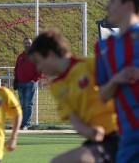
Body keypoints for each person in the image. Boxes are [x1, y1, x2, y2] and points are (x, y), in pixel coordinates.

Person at [28, 29, 118, 163]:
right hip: (98, 139)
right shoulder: (56, 87)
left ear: (51, 55)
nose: (38, 68)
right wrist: (88, 131)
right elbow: (73, 118)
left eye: (38, 62)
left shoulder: (90, 64)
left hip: (120, 132)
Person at [95, 0, 139, 163]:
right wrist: (116, 80)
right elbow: (103, 96)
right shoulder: (103, 47)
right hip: (128, 137)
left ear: (128, 5)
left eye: (112, 1)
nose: (107, 7)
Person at [14, 37, 42, 130]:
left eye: (29, 43)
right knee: (22, 104)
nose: (27, 45)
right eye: (25, 43)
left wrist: (34, 79)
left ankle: (26, 124)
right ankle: (21, 123)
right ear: (23, 44)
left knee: (28, 104)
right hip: (21, 83)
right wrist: (16, 79)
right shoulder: (20, 56)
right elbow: (16, 68)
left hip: (30, 83)